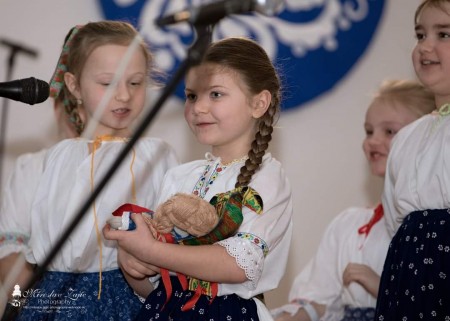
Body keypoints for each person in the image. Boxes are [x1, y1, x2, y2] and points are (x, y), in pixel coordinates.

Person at [103, 36, 293, 321]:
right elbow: (152, 289)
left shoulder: (267, 175)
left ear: (258, 103)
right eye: (192, 95)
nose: (198, 108)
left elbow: (236, 266)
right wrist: (132, 263)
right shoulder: (177, 176)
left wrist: (152, 251)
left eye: (215, 94)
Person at [0, 20, 179, 321]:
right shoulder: (58, 157)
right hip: (56, 296)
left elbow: (172, 234)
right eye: (107, 83)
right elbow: (37, 250)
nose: (123, 95)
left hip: (126, 295)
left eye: (135, 83)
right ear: (73, 86)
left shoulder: (157, 154)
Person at [270, 79, 435, 321]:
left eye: (390, 131)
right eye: (369, 131)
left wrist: (382, 288)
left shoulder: (434, 230)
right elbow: (319, 301)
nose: (372, 141)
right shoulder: (350, 226)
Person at [375, 0, 450, 319]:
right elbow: (395, 218)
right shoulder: (408, 137)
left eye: (444, 34)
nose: (426, 46)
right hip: (409, 274)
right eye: (420, 35)